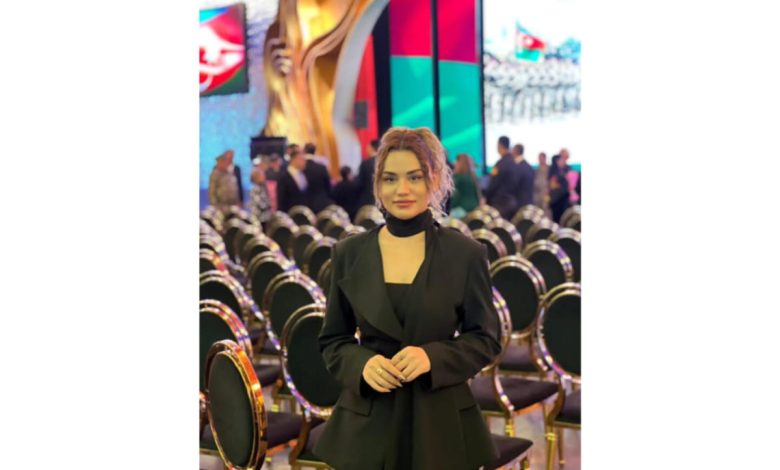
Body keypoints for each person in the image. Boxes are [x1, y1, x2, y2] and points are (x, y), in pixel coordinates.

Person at [315, 127, 502, 470]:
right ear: (378, 185)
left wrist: (432, 357)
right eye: (390, 179)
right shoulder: (349, 253)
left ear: (434, 179)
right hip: (369, 420)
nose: (401, 190)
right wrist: (361, 364)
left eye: (414, 177)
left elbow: (486, 339)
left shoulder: (465, 254)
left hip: (439, 419)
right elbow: (333, 341)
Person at [484, 135, 521, 220]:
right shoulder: (514, 162)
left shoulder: (500, 164)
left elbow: (493, 185)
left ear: (500, 145)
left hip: (500, 205)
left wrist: (487, 200)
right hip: (512, 203)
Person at [303, 143, 335, 213]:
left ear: (304, 151)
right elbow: (328, 187)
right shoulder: (321, 168)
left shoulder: (301, 168)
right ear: (314, 151)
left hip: (304, 205)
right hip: (321, 204)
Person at [276, 147, 309, 212]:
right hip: (291, 212)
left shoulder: (304, 174)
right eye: (302, 159)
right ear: (294, 160)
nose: (305, 162)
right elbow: (281, 200)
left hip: (304, 211)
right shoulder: (283, 177)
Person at [449, 153, 482, 218]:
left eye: (456, 161)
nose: (454, 163)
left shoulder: (459, 178)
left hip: (463, 209)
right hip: (474, 208)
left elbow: (455, 197)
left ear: (460, 163)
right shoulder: (473, 176)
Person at [356, 139, 380, 208]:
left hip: (368, 202)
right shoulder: (385, 163)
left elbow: (359, 184)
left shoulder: (365, 164)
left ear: (371, 148)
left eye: (367, 147)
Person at [249, 157, 273, 224]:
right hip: (260, 218)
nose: (264, 176)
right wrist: (268, 205)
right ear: (257, 177)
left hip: (266, 216)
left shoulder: (262, 187)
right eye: (262, 175)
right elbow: (260, 204)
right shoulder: (255, 189)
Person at [549, 154, 571, 223]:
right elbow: (553, 185)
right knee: (558, 219)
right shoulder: (554, 172)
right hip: (557, 200)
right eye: (561, 160)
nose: (563, 161)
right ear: (557, 161)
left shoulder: (564, 170)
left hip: (562, 199)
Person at [511, 143, 535, 208]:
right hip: (528, 202)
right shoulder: (528, 166)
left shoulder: (517, 167)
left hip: (520, 203)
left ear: (515, 151)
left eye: (512, 150)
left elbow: (514, 185)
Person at [533, 152, 552, 218]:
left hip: (547, 194)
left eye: (541, 158)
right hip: (537, 195)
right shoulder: (536, 170)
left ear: (545, 158)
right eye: (539, 158)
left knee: (547, 212)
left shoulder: (550, 169)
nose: (540, 160)